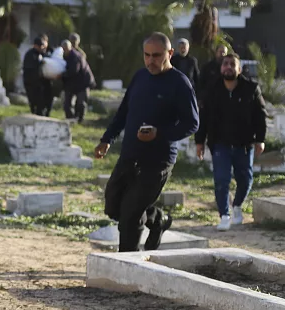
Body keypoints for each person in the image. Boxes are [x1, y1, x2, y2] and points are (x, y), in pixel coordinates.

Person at [94, 32, 199, 252]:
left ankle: (128, 265)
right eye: (147, 55)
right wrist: (107, 139)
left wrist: (159, 134)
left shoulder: (180, 83)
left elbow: (192, 123)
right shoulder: (140, 77)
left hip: (158, 161)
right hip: (131, 153)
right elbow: (123, 112)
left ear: (170, 53)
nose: (151, 60)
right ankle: (157, 219)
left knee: (130, 214)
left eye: (157, 55)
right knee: (114, 204)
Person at [195, 53, 267, 231]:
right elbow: (203, 118)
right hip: (220, 143)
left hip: (244, 144)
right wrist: (199, 142)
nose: (228, 67)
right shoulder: (212, 90)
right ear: (221, 68)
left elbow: (260, 115)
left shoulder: (251, 89)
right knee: (221, 179)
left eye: (232, 64)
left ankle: (237, 206)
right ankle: (224, 215)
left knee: (245, 179)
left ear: (239, 69)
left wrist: (260, 139)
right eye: (225, 64)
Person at [61, 39, 94, 123]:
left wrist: (61, 75)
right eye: (63, 49)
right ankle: (71, 119)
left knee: (81, 103)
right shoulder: (64, 55)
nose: (65, 51)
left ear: (70, 48)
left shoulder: (75, 56)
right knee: (67, 104)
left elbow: (73, 70)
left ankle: (80, 119)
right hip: (72, 82)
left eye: (66, 49)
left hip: (83, 82)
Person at [23, 36, 53, 116]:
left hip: (40, 84)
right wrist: (39, 63)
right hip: (31, 83)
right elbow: (31, 68)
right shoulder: (30, 55)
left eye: (42, 46)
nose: (42, 48)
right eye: (40, 46)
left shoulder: (41, 54)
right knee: (34, 102)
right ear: (35, 46)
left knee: (43, 101)